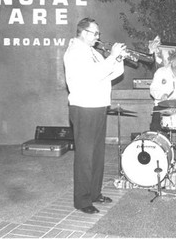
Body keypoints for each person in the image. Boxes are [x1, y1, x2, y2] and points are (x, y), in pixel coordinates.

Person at [63, 17, 127, 214]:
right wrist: (111, 57)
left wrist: (118, 58)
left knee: (97, 154)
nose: (98, 37)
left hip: (98, 106)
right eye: (95, 33)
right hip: (84, 107)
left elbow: (112, 73)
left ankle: (94, 193)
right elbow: (93, 74)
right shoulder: (74, 52)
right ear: (83, 32)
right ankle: (82, 200)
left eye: (98, 33)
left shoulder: (93, 52)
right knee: (85, 155)